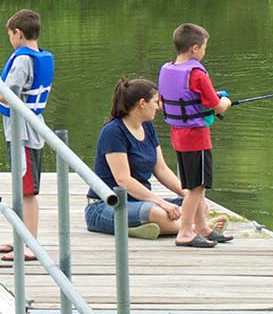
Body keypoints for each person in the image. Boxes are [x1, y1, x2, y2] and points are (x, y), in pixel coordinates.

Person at [0, 9, 54, 261]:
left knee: (27, 191)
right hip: (26, 131)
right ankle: (20, 238)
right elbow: (10, 86)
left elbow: (7, 96)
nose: (10, 40)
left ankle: (30, 245)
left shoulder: (22, 59)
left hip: (23, 135)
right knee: (20, 188)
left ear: (18, 33)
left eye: (10, 36)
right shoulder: (37, 56)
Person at [84, 78, 200, 245]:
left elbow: (161, 169)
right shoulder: (113, 132)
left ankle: (166, 226)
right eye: (155, 101)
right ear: (142, 103)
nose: (159, 107)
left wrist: (187, 194)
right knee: (155, 212)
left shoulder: (147, 127)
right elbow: (123, 180)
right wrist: (161, 202)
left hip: (139, 202)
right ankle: (193, 227)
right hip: (105, 206)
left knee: (196, 203)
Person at [157, 23, 233, 247]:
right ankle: (185, 232)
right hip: (197, 138)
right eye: (205, 47)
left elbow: (165, 101)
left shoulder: (166, 69)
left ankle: (203, 228)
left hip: (178, 136)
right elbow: (217, 106)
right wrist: (226, 101)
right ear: (195, 49)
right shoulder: (197, 73)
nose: (204, 51)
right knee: (196, 187)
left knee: (194, 183)